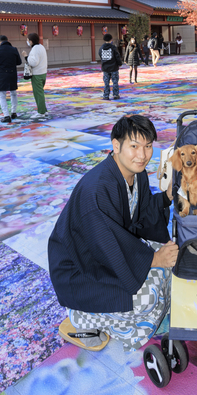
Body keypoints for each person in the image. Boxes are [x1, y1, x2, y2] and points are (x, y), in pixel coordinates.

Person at [48, 114, 177, 351]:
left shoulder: (135, 173)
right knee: (147, 296)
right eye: (134, 146)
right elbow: (106, 243)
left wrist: (167, 197)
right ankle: (80, 316)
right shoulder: (97, 189)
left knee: (170, 260)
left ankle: (134, 316)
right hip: (80, 271)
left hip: (103, 257)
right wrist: (153, 259)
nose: (143, 154)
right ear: (115, 145)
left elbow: (143, 212)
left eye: (148, 146)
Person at [0, 35, 22, 123]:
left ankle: (6, 115)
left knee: (2, 95)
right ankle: (14, 112)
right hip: (12, 74)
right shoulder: (14, 49)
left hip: (2, 75)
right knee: (13, 93)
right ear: (7, 40)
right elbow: (19, 62)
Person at [24, 33, 48, 120]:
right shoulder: (41, 47)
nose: (27, 42)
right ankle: (43, 110)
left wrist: (26, 57)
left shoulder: (35, 49)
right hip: (43, 72)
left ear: (31, 41)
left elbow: (33, 62)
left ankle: (41, 112)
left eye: (27, 40)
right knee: (40, 92)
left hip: (37, 74)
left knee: (38, 93)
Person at [99, 32, 122, 100]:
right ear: (111, 39)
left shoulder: (101, 48)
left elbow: (100, 55)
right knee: (115, 82)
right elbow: (117, 56)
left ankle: (106, 95)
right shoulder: (113, 48)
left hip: (105, 68)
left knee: (106, 82)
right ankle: (115, 95)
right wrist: (119, 63)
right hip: (114, 67)